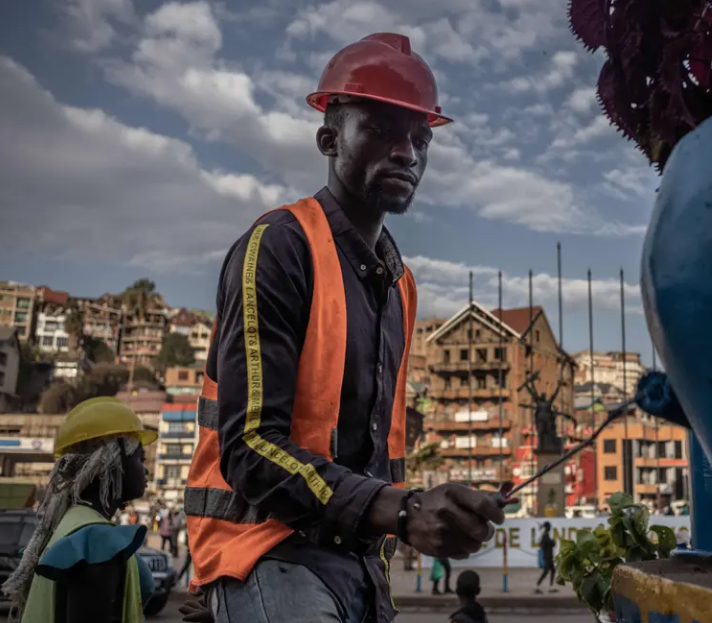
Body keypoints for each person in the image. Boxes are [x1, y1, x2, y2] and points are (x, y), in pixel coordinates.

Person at [182, 32, 504, 623]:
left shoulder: (398, 284)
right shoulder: (279, 247)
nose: (406, 152)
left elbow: (377, 453)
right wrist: (403, 512)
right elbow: (249, 447)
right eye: (380, 130)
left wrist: (419, 513)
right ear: (329, 140)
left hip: (358, 564)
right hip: (265, 551)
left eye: (419, 138)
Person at [0, 396, 159, 623]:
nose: (145, 471)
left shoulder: (67, 524)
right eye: (139, 458)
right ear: (111, 464)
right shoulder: (97, 542)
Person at [535, 521, 557, 594]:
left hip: (549, 556)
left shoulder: (545, 535)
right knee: (546, 571)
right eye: (549, 527)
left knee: (553, 570)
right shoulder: (545, 536)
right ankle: (537, 586)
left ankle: (551, 587)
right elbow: (552, 543)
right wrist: (552, 542)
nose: (550, 528)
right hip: (548, 557)